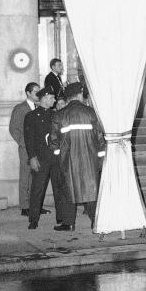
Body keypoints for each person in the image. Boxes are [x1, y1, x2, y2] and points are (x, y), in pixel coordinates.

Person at [51, 82, 106, 228]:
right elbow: (100, 138)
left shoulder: (59, 115)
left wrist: (59, 157)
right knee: (92, 190)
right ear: (80, 95)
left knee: (68, 191)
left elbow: (54, 141)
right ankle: (97, 222)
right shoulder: (91, 113)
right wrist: (101, 159)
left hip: (68, 160)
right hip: (90, 159)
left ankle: (68, 224)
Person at [24, 87, 67, 230]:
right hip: (41, 159)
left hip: (56, 158)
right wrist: (32, 158)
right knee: (37, 189)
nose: (54, 100)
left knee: (59, 188)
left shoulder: (57, 115)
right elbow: (29, 140)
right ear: (43, 98)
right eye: (51, 98)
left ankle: (61, 217)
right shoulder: (31, 116)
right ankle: (33, 219)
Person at [9, 82, 42, 217]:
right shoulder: (20, 108)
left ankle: (35, 205)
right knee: (25, 176)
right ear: (28, 93)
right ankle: (24, 205)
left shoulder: (39, 107)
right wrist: (23, 143)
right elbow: (13, 129)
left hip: (39, 147)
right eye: (36, 92)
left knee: (38, 177)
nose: (38, 95)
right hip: (26, 148)